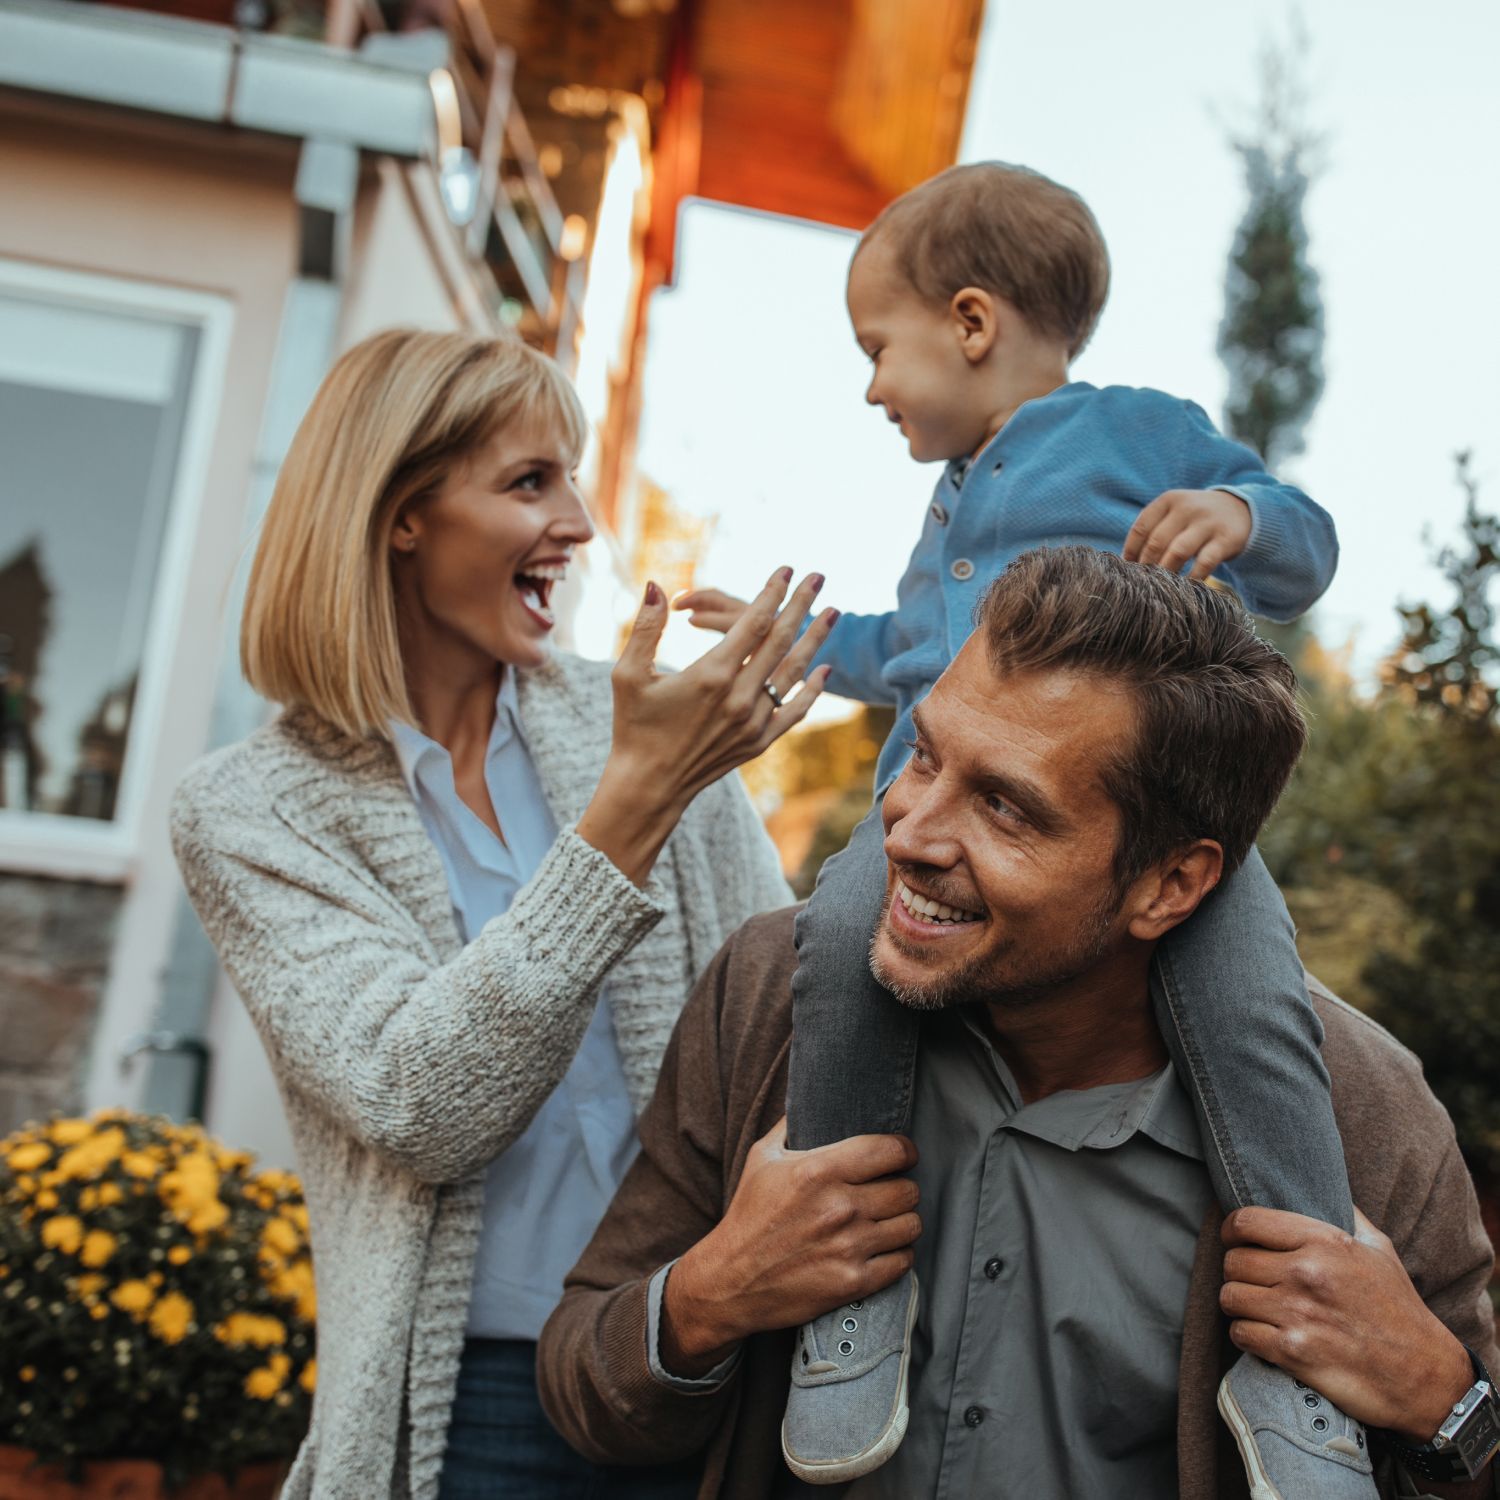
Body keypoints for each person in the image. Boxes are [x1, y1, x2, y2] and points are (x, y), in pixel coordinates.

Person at [540, 548, 1500, 1500]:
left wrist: (1441, 1403)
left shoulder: (1364, 1123)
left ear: (1171, 884)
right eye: (924, 756)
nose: (907, 835)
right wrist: (707, 1298)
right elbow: (582, 1393)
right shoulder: (769, 999)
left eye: (1006, 808)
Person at [674, 161, 1351, 1491]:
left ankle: (1303, 1347)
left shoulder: (1133, 431)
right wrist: (798, 639)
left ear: (972, 323)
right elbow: (911, 649)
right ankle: (854, 1297)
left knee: (1257, 1004)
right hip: (930, 817)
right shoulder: (951, 504)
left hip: (1146, 816)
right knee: (842, 940)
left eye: (880, 348)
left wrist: (1241, 514)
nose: (872, 386)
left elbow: (1306, 541)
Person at [171, 329, 836, 1500]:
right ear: (398, 516)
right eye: (531, 482)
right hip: (479, 1402)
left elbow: (787, 1015)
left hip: (698, 1350)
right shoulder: (249, 812)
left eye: (572, 478)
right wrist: (632, 808)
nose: (578, 523)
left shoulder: (640, 722)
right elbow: (420, 1105)